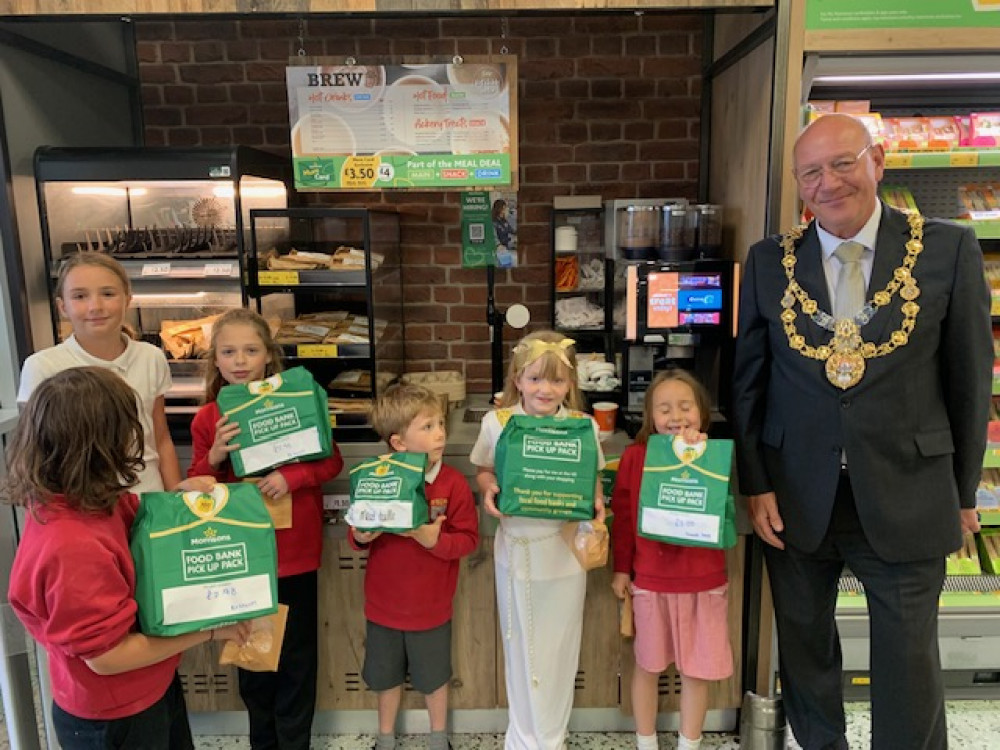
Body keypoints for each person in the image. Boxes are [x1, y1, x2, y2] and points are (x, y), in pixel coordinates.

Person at [732, 112, 991, 749]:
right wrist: (755, 484)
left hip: (908, 488)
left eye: (842, 163)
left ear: (877, 161)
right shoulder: (770, 262)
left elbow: (969, 380)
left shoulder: (946, 248)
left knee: (907, 658)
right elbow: (748, 383)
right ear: (798, 187)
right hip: (794, 496)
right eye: (810, 173)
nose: (828, 183)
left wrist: (961, 494)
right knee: (804, 647)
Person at [4, 367, 250, 750]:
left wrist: (178, 498)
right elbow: (108, 657)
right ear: (99, 446)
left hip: (147, 686)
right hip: (114, 714)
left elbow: (135, 516)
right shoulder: (71, 547)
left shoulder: (79, 496)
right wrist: (211, 631)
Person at [187, 308, 344, 750]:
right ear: (214, 361)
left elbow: (331, 461)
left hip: (294, 553)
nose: (240, 360)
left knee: (296, 660)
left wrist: (291, 478)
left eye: (251, 350)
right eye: (229, 351)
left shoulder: (298, 399)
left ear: (268, 357)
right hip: (242, 556)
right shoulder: (207, 420)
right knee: (253, 659)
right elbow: (198, 489)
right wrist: (215, 455)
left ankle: (295, 744)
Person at [470, 330, 606, 750]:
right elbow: (485, 471)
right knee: (520, 649)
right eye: (534, 379)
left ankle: (550, 739)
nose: (545, 390)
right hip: (517, 552)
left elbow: (594, 479)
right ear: (517, 380)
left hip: (563, 554)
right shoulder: (497, 423)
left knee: (560, 650)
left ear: (571, 385)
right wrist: (489, 489)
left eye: (557, 381)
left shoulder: (583, 427)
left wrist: (597, 502)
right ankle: (523, 739)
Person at [348, 382, 479, 750]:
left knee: (434, 677)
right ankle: (385, 736)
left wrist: (434, 540)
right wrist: (362, 537)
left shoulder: (452, 484)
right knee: (385, 677)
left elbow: (469, 540)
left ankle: (439, 735)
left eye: (440, 424)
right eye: (427, 427)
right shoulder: (377, 478)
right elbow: (356, 535)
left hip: (431, 608)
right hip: (383, 606)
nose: (440, 434)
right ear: (398, 443)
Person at [610, 369, 733, 750]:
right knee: (647, 665)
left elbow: (724, 517)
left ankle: (689, 743)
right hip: (650, 582)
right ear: (650, 417)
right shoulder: (635, 457)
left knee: (696, 673)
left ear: (702, 413)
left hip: (704, 582)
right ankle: (645, 742)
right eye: (664, 409)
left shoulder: (713, 455)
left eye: (685, 407)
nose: (676, 416)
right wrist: (620, 569)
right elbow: (625, 517)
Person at [17, 251, 181, 493]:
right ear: (62, 307)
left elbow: (161, 438)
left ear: (127, 299)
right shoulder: (42, 367)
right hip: (83, 504)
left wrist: (176, 500)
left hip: (148, 498)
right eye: (80, 296)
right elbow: (34, 456)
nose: (96, 306)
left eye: (108, 294)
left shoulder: (151, 357)